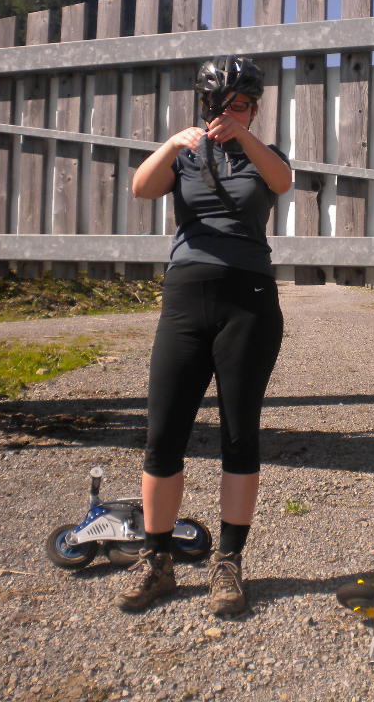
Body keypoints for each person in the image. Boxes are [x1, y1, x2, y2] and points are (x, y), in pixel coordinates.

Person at [117, 55, 291, 616]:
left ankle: (229, 563)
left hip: (249, 302)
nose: (227, 113)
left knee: (239, 433)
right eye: (219, 104)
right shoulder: (187, 154)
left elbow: (283, 181)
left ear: (254, 108)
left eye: (240, 104)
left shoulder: (262, 155)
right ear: (202, 104)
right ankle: (158, 559)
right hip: (186, 298)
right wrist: (172, 145)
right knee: (164, 432)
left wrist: (243, 136)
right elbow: (143, 189)